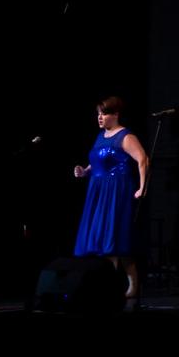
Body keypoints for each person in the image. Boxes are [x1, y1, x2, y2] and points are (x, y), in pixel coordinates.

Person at [72, 96, 148, 298]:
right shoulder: (100, 136)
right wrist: (85, 171)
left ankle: (122, 285)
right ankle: (108, 283)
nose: (100, 117)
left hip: (116, 191)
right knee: (101, 239)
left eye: (104, 113)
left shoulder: (125, 136)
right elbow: (97, 163)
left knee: (113, 238)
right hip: (97, 191)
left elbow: (143, 159)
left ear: (115, 115)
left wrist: (142, 187)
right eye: (98, 114)